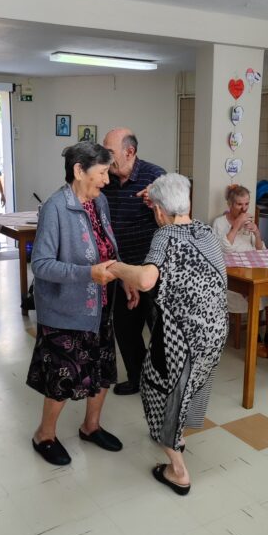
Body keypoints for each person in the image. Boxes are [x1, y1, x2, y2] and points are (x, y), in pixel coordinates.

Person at [109, 173, 228, 495]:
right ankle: (178, 435)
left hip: (181, 337)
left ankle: (178, 470)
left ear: (159, 211)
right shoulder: (204, 231)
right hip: (214, 331)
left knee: (156, 388)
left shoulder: (165, 235)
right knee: (188, 386)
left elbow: (146, 279)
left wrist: (116, 268)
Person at [27, 141, 134, 466]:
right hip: (65, 311)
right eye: (101, 173)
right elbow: (41, 264)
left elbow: (109, 248)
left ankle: (91, 427)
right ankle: (44, 435)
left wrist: (125, 277)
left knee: (102, 371)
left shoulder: (100, 202)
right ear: (78, 170)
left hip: (100, 306)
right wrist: (87, 273)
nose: (106, 180)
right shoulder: (55, 208)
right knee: (62, 378)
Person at [102, 128, 165, 395]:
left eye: (110, 152)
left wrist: (157, 203)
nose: (105, 158)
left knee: (159, 329)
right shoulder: (106, 179)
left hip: (152, 270)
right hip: (121, 270)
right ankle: (137, 377)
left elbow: (174, 220)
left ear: (130, 152)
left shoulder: (155, 177)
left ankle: (162, 382)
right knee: (125, 328)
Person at [212, 185, 268, 358]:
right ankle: (256, 340)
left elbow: (261, 250)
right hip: (231, 274)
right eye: (239, 204)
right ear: (230, 204)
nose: (244, 209)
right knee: (255, 292)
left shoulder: (249, 222)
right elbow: (223, 250)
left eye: (246, 204)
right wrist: (236, 225)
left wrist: (257, 234)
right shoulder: (219, 223)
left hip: (251, 267)